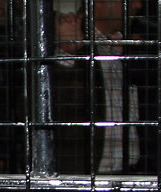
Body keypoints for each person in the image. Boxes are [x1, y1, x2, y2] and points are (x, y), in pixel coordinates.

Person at [53, 0, 146, 174]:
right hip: (87, 180)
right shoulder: (74, 43)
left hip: (133, 175)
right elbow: (49, 104)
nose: (137, 5)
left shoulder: (131, 44)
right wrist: (66, 52)